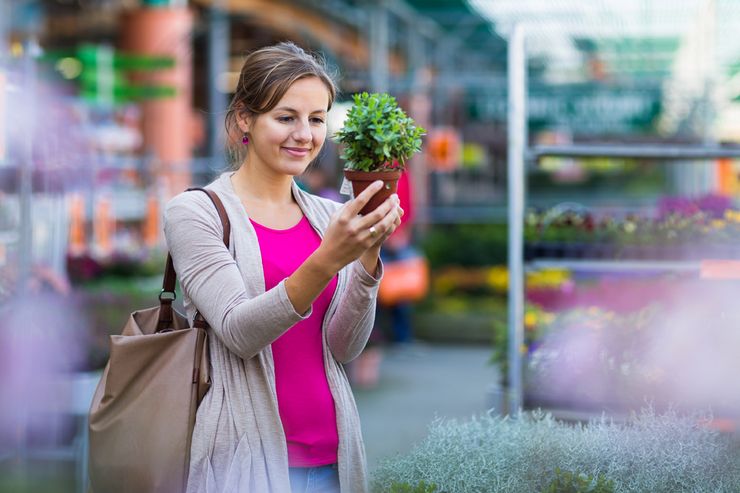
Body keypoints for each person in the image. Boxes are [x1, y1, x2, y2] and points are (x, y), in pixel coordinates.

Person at [163, 42, 403, 493]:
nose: (304, 135)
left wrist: (368, 257)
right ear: (244, 120)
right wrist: (328, 260)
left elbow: (344, 347)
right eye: (286, 117)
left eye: (316, 120)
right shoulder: (195, 212)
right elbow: (239, 331)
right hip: (243, 459)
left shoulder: (328, 217)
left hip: (335, 454)